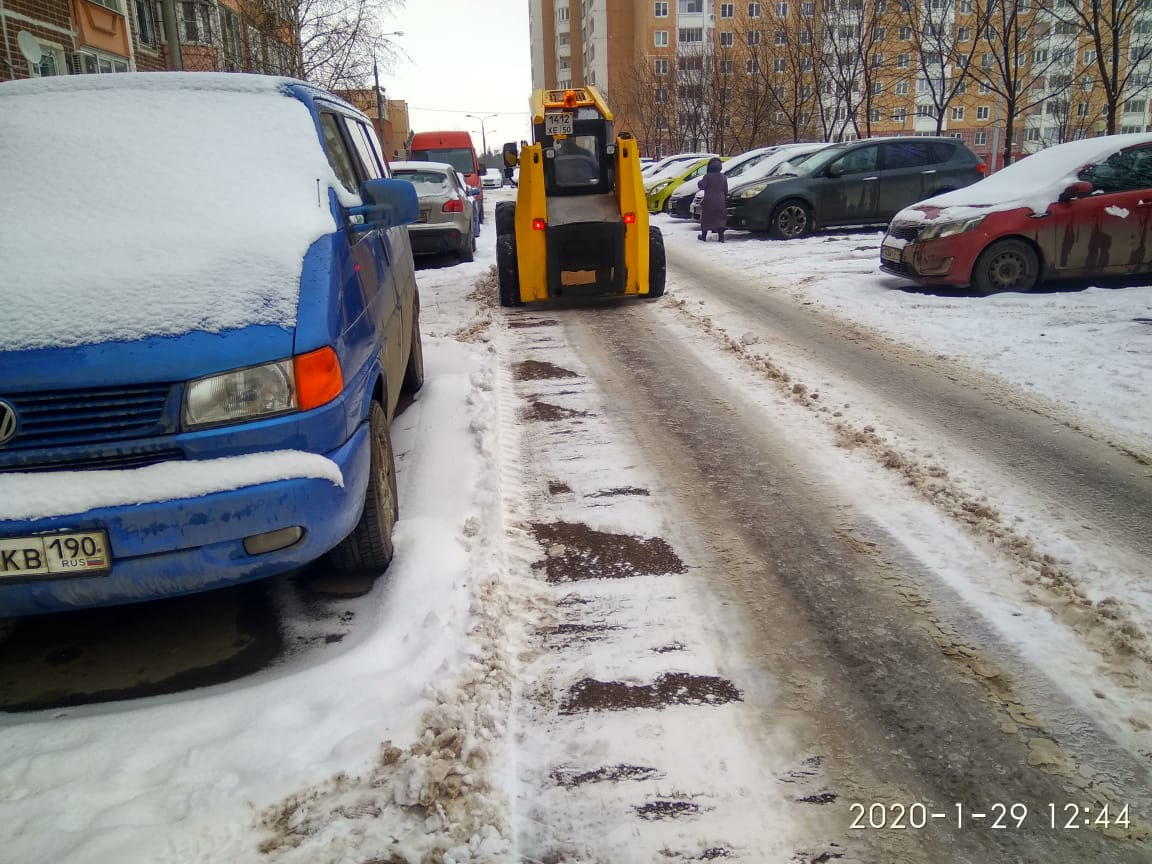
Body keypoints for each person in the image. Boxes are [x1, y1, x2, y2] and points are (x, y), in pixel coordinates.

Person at [696, 157, 728, 242]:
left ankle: (703, 236)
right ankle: (721, 237)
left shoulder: (707, 176)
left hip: (709, 200)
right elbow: (726, 190)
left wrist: (699, 183)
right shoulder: (723, 177)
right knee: (720, 218)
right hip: (721, 200)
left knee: (706, 218)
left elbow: (702, 186)